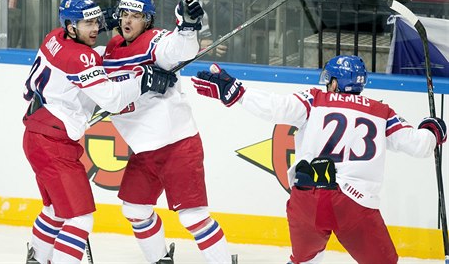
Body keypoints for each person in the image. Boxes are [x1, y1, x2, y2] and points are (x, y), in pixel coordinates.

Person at [191, 55, 447, 264]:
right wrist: (433, 130)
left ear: (335, 82)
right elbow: (418, 145)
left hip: (309, 197)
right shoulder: (382, 112)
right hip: (355, 204)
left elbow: (276, 106)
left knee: (304, 260)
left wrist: (239, 93)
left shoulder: (315, 98)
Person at [22, 0, 176, 264]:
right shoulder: (80, 57)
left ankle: (36, 259)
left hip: (38, 133)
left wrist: (95, 20)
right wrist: (144, 79)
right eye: (87, 24)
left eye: (97, 22)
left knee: (55, 210)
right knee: (80, 219)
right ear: (72, 27)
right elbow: (113, 98)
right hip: (52, 142)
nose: (95, 28)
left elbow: (88, 51)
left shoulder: (55, 36)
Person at [102, 0, 237, 264]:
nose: (129, 21)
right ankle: (160, 260)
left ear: (148, 20)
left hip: (177, 144)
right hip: (143, 150)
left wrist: (187, 29)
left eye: (136, 16)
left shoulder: (155, 42)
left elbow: (177, 49)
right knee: (135, 210)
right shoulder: (110, 48)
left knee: (193, 217)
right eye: (125, 14)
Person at [165, 0, 245, 62]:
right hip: (185, 38)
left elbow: (235, 21)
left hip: (217, 37)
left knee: (236, 42)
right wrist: (197, 42)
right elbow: (163, 17)